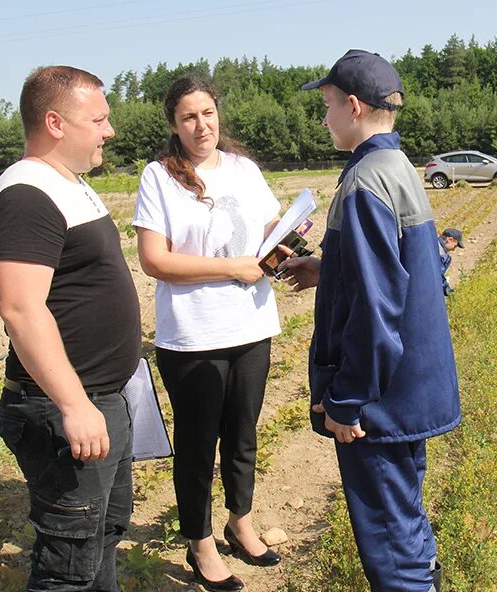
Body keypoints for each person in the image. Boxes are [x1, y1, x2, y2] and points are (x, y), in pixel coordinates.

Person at [278, 49, 460, 592]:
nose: (325, 117)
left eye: (328, 105)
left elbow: (376, 309)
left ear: (353, 106)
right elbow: (394, 271)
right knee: (404, 514)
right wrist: (330, 267)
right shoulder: (395, 166)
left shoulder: (363, 185)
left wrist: (347, 399)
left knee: (388, 537)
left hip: (379, 401)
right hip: (410, 388)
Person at [0, 66, 141, 591]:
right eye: (98, 119)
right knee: (67, 564)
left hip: (102, 397)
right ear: (54, 122)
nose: (109, 130)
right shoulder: (26, 195)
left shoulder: (69, 185)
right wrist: (74, 406)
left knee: (101, 535)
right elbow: (21, 310)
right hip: (64, 406)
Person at [133, 76, 282, 592]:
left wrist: (286, 245)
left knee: (242, 435)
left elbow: (269, 228)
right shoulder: (160, 177)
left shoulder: (244, 170)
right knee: (198, 445)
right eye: (190, 117)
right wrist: (231, 269)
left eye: (209, 113)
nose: (203, 125)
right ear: (174, 125)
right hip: (193, 336)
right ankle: (199, 543)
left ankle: (239, 520)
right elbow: (155, 260)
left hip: (252, 326)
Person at [438, 228, 463, 295]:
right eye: (455, 246)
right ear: (450, 240)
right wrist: (447, 290)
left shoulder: (432, 244)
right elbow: (437, 275)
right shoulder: (440, 253)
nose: (454, 249)